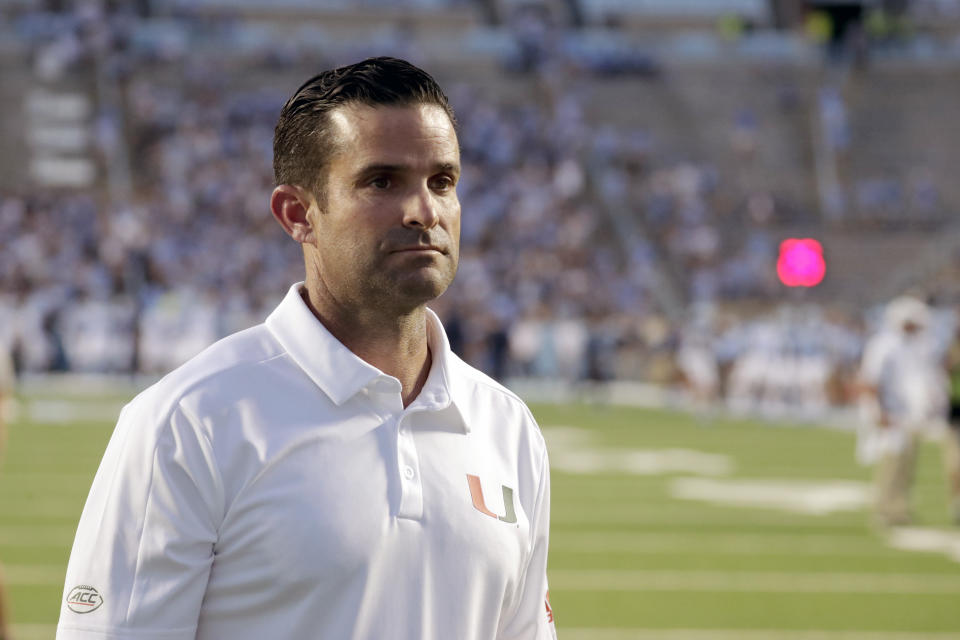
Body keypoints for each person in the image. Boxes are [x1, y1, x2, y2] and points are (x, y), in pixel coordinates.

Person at [57, 57, 556, 640]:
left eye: (442, 181)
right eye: (381, 181)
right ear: (299, 214)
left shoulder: (508, 427)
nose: (424, 211)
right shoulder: (188, 421)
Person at [857, 296, 949, 526]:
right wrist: (879, 412)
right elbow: (870, 381)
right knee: (892, 462)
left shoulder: (910, 345)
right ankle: (885, 509)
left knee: (906, 463)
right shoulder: (884, 345)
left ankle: (898, 508)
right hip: (890, 412)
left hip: (906, 414)